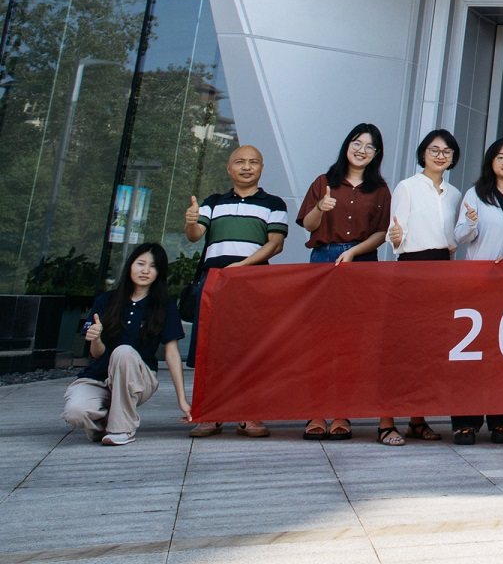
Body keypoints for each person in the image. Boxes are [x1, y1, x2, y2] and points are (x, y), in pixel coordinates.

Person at [184, 143, 286, 439]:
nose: (247, 166)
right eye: (240, 161)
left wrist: (241, 267)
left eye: (254, 161)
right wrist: (190, 222)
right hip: (214, 282)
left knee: (251, 349)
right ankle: (209, 414)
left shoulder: (274, 203)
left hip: (253, 284)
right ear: (229, 168)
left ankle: (249, 414)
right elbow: (195, 236)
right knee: (211, 349)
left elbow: (275, 244)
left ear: (262, 168)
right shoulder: (213, 202)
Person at [296, 123, 391, 441]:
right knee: (319, 339)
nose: (362, 150)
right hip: (324, 261)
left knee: (351, 341)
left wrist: (354, 252)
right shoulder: (324, 182)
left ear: (376, 154)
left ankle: (341, 413)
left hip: (361, 263)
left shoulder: (380, 190)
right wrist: (320, 208)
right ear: (347, 145)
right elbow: (308, 225)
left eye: (369, 146)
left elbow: (381, 233)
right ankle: (315, 412)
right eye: (357, 143)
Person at [450, 137, 503, 446]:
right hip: (477, 285)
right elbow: (460, 237)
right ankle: (466, 423)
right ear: (491, 162)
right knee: (472, 354)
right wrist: (471, 224)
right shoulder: (475, 194)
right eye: (500, 156)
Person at [379, 129, 462, 446]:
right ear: (423, 153)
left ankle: (417, 419)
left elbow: (455, 238)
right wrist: (396, 237)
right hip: (412, 267)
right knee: (400, 347)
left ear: (453, 158)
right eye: (434, 150)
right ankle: (386, 421)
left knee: (429, 349)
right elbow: (395, 234)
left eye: (447, 151)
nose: (440, 156)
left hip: (442, 269)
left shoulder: (455, 194)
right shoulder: (407, 187)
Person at [63, 243, 188, 446]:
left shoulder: (165, 305)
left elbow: (172, 354)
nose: (145, 270)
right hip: (99, 377)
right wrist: (96, 338)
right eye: (140, 264)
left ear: (160, 273)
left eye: (153, 266)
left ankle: (121, 429)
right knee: (75, 413)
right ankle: (105, 423)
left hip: (139, 378)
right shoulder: (106, 300)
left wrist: (182, 400)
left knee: (123, 352)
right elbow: (96, 354)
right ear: (130, 265)